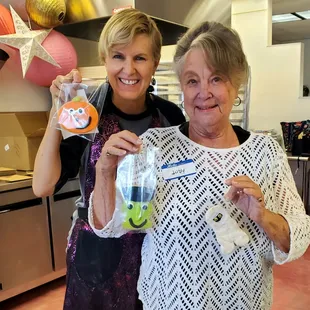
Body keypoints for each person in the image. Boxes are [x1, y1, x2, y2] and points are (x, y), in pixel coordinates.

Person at [88, 21, 310, 310]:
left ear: (236, 83)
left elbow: (298, 238)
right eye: (192, 81)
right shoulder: (154, 146)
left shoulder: (265, 152)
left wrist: (263, 216)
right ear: (182, 87)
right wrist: (104, 171)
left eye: (216, 78)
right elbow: (110, 226)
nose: (203, 92)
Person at [32, 8, 185, 310]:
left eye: (140, 58)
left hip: (154, 256)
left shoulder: (171, 117)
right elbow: (42, 186)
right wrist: (56, 112)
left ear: (155, 63)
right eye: (118, 56)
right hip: (96, 258)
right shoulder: (86, 114)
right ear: (104, 60)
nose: (129, 69)